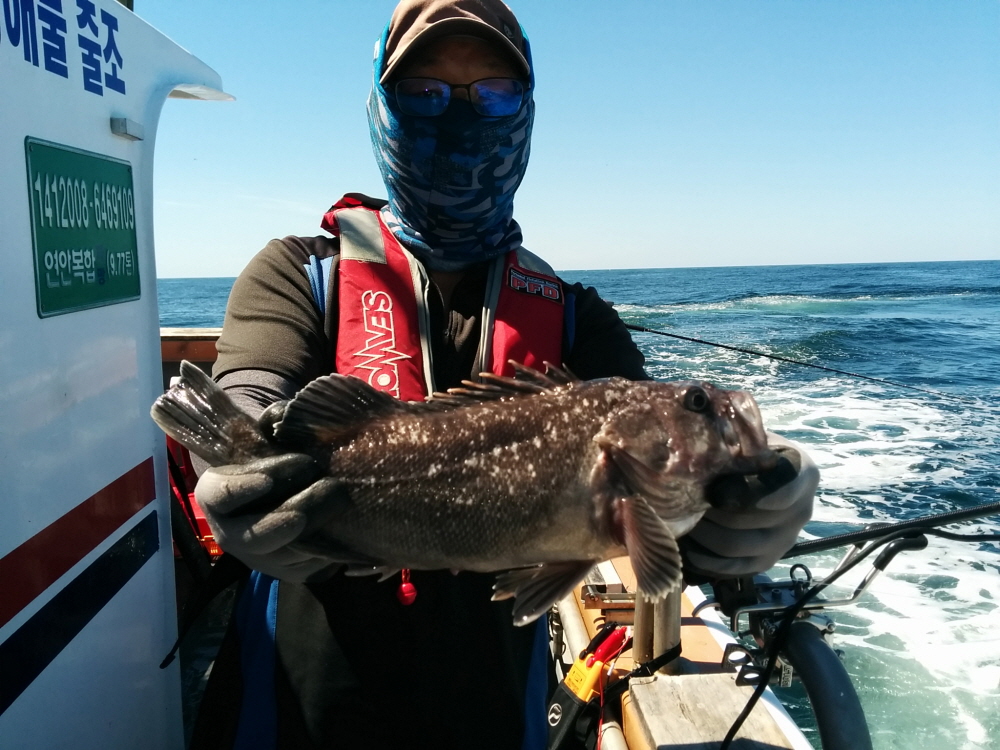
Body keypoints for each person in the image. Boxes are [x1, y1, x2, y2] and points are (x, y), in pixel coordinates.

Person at [188, 1, 818, 748]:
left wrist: (758, 499)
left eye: (493, 93)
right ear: (383, 109)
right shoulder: (298, 273)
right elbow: (250, 394)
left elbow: (674, 530)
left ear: (526, 111)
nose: (462, 117)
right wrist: (234, 473)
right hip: (293, 704)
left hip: (489, 710)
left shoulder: (580, 321)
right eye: (426, 92)